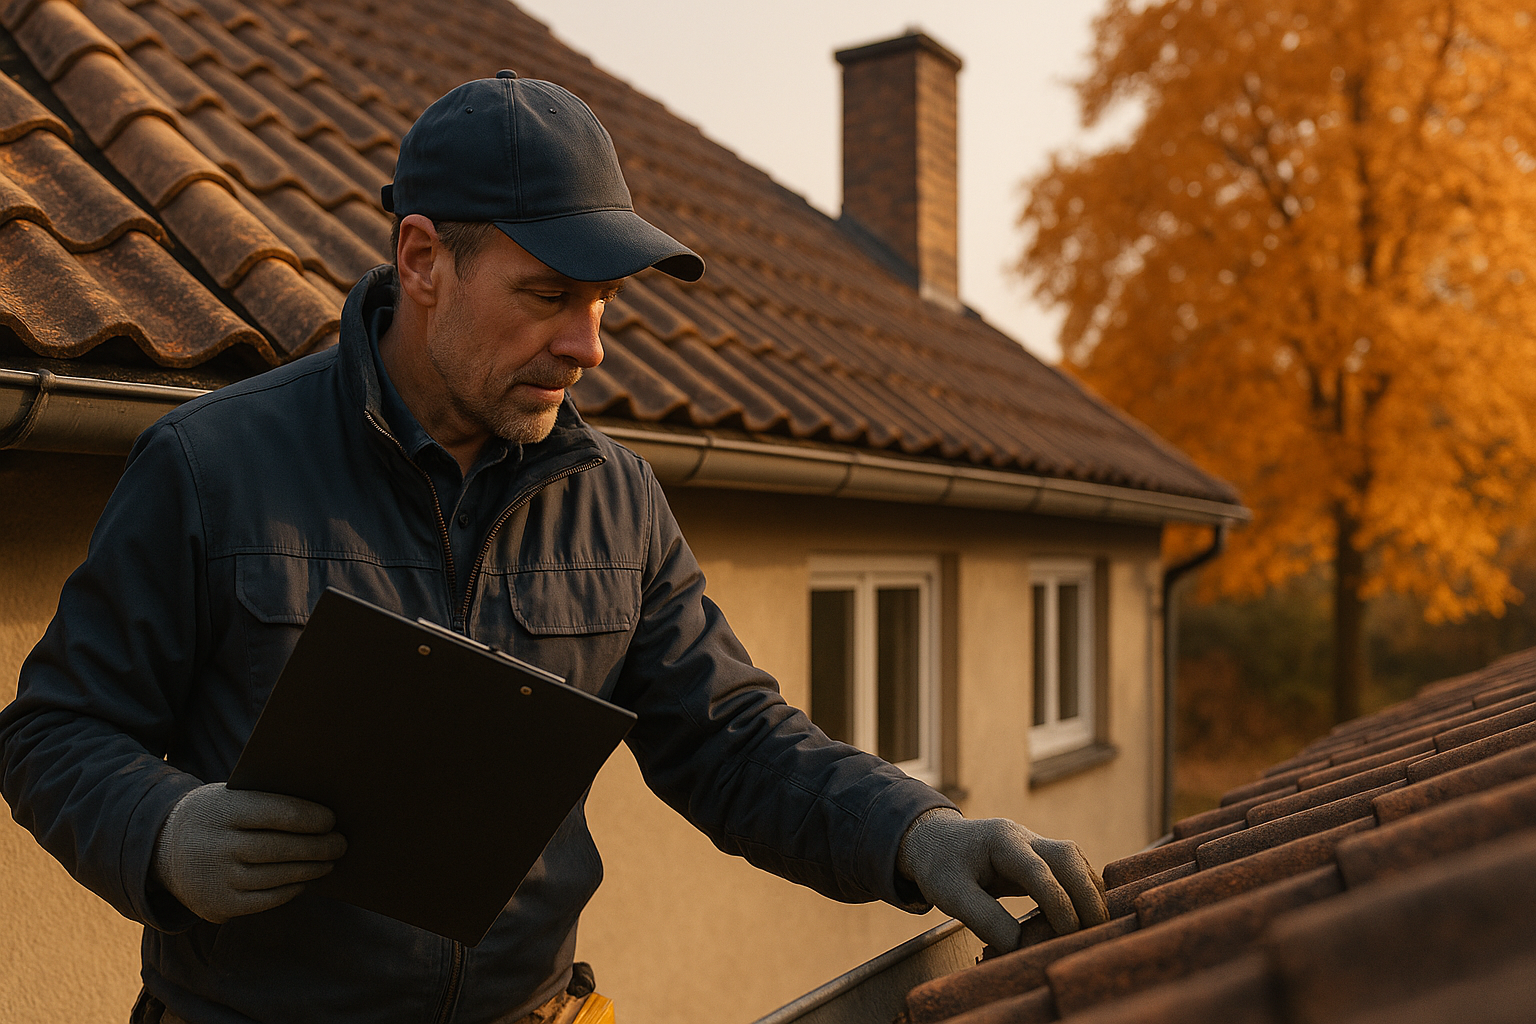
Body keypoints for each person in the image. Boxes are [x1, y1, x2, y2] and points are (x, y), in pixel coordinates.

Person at [0, 72, 1107, 1024]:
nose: (586, 345)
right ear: (423, 258)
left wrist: (917, 833)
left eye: (603, 303)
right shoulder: (208, 468)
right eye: (548, 296)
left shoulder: (616, 501)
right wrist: (161, 830)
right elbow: (54, 731)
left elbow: (734, 742)